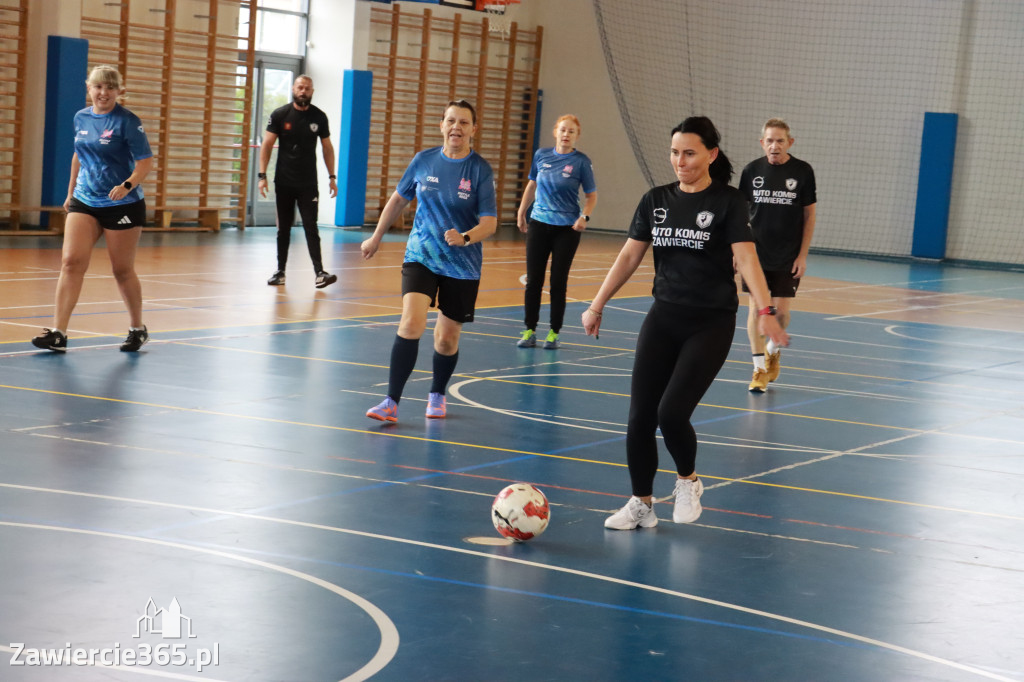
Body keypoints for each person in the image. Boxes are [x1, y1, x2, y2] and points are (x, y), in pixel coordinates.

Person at [582, 116, 788, 531]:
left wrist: (765, 312)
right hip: (663, 316)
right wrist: (597, 303)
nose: (680, 161)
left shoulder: (729, 203)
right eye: (675, 152)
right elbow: (628, 256)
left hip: (710, 322)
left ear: (711, 154)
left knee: (672, 413)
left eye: (690, 153)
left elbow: (747, 259)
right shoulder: (655, 200)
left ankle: (689, 481)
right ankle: (641, 503)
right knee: (640, 416)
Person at [360, 100, 497, 422]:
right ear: (441, 125)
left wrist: (465, 237)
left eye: (464, 123)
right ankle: (390, 402)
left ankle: (437, 394)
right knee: (410, 322)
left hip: (462, 263)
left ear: (473, 130)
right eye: (451, 121)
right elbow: (398, 200)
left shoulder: (479, 170)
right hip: (421, 255)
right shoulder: (424, 161)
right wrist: (376, 237)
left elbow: (489, 222)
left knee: (447, 339)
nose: (456, 128)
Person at [32, 65, 154, 353]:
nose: (104, 92)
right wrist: (70, 190)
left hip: (121, 203)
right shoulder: (81, 118)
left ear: (118, 90)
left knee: (122, 269)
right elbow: (79, 155)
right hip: (84, 199)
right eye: (98, 87)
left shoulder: (127, 122)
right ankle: (59, 332)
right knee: (71, 262)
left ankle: (138, 328)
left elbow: (145, 161)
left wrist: (127, 184)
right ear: (89, 88)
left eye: (110, 87)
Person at [738, 118, 816, 392]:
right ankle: (759, 369)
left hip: (787, 255)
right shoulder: (751, 171)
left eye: (780, 140)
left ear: (789, 142)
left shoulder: (803, 171)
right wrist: (737, 251)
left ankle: (772, 351)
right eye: (769, 140)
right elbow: (739, 214)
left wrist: (802, 255)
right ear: (762, 143)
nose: (774, 145)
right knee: (756, 310)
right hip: (755, 255)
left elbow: (809, 215)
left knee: (780, 315)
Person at [515, 114, 598, 350]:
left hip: (567, 229)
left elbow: (592, 195)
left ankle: (553, 332)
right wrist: (522, 212)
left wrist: (584, 216)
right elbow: (532, 184)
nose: (566, 134)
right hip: (539, 224)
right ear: (555, 132)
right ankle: (530, 329)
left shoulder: (581, 162)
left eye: (571, 131)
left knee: (558, 281)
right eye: (562, 130)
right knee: (534, 281)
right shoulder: (542, 155)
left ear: (576, 136)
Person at [258, 75, 338, 289]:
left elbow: (327, 148)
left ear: (312, 91)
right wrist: (262, 175)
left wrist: (332, 177)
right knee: (283, 228)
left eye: (307, 88)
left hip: (307, 183)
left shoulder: (319, 117)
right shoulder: (280, 114)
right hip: (284, 181)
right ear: (294, 89)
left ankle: (320, 272)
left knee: (311, 227)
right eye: (300, 87)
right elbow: (266, 145)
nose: (303, 91)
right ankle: (280, 271)